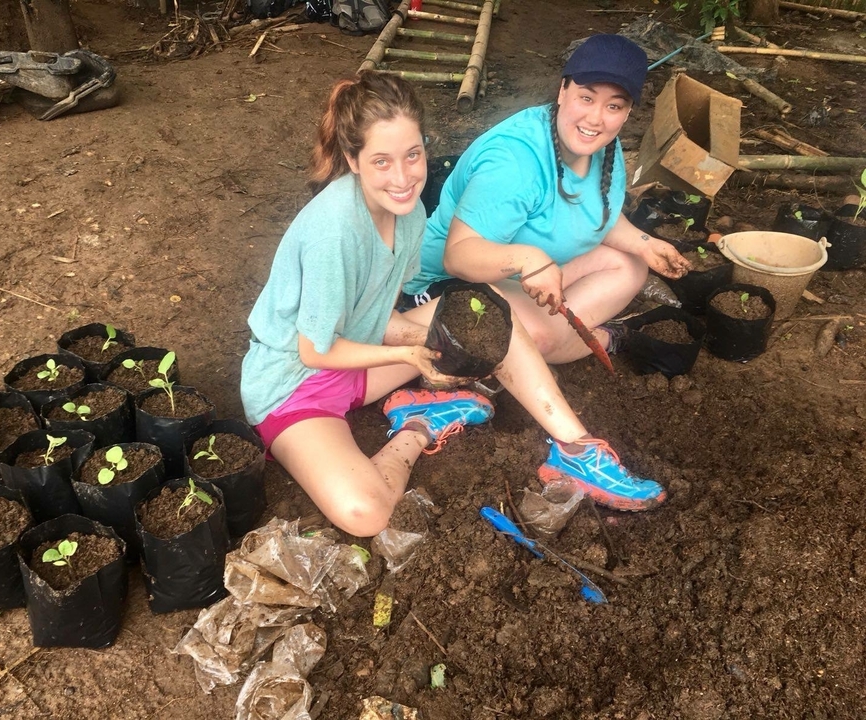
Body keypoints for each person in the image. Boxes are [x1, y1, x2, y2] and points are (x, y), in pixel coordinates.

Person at [241, 71, 666, 539]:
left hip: (357, 360)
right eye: (381, 161)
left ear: (425, 147)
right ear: (353, 160)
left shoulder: (409, 213)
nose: (403, 178)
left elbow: (375, 314)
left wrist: (425, 338)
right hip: (295, 385)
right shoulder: (334, 232)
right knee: (367, 513)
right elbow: (314, 353)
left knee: (487, 313)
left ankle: (576, 449)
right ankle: (420, 425)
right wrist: (409, 352)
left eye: (413, 155)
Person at [401, 34, 692, 364]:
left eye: (614, 105)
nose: (596, 119)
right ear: (563, 90)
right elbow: (459, 257)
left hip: (522, 277)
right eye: (586, 97)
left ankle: (545, 341)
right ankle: (590, 339)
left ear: (627, 113)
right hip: (449, 281)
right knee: (540, 335)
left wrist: (644, 243)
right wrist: (528, 260)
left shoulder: (604, 147)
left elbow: (599, 216)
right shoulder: (514, 162)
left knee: (631, 263)